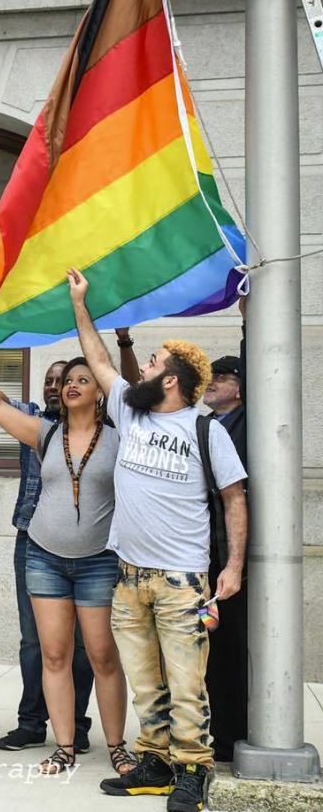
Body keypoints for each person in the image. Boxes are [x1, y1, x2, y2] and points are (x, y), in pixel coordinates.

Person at [66, 269, 248, 812]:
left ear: (172, 379)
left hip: (182, 581)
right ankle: (153, 763)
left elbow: (236, 498)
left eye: (151, 364)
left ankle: (194, 768)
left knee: (188, 686)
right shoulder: (129, 409)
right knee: (145, 681)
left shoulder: (206, 430)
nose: (141, 369)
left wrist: (232, 567)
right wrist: (81, 304)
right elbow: (96, 358)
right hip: (129, 575)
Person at [0, 348, 136, 776]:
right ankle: (63, 748)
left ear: (100, 391)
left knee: (102, 656)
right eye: (67, 381)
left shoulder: (121, 437)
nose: (71, 385)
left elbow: (132, 389)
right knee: (53, 655)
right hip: (43, 557)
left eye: (83, 379)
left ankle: (116, 746)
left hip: (98, 560)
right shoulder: (44, 433)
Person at [202, 314, 248, 762]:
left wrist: (248, 320)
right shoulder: (202, 426)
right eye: (211, 375)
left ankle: (233, 734)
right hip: (202, 556)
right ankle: (215, 730)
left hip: (232, 558)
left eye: (224, 376)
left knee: (231, 648)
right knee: (207, 648)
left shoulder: (248, 421)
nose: (213, 382)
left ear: (241, 386)